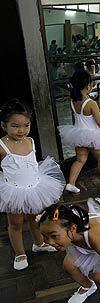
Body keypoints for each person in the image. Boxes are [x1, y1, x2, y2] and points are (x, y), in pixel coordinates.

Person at [0, 100, 65, 270]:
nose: (21, 130)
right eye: (15, 126)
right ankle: (20, 253)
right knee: (15, 223)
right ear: (4, 126)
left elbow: (32, 163)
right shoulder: (2, 145)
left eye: (26, 125)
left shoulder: (30, 141)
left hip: (35, 187)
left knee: (35, 218)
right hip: (13, 191)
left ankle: (39, 243)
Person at [58, 70, 100, 193]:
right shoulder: (91, 103)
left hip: (78, 134)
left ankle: (71, 183)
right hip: (93, 135)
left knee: (80, 159)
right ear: (88, 86)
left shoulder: (73, 100)